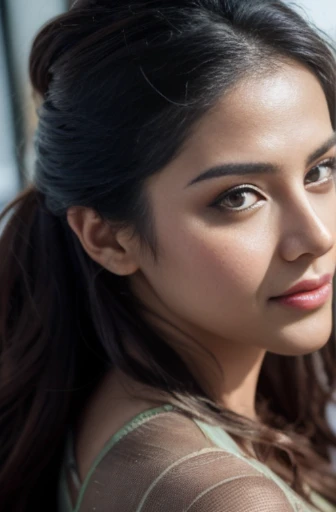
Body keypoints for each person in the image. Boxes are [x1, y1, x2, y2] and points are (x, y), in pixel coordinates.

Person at [1, 0, 336, 510]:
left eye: (320, 170)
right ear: (108, 238)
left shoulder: (109, 400)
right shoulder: (222, 497)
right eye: (238, 196)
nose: (316, 236)